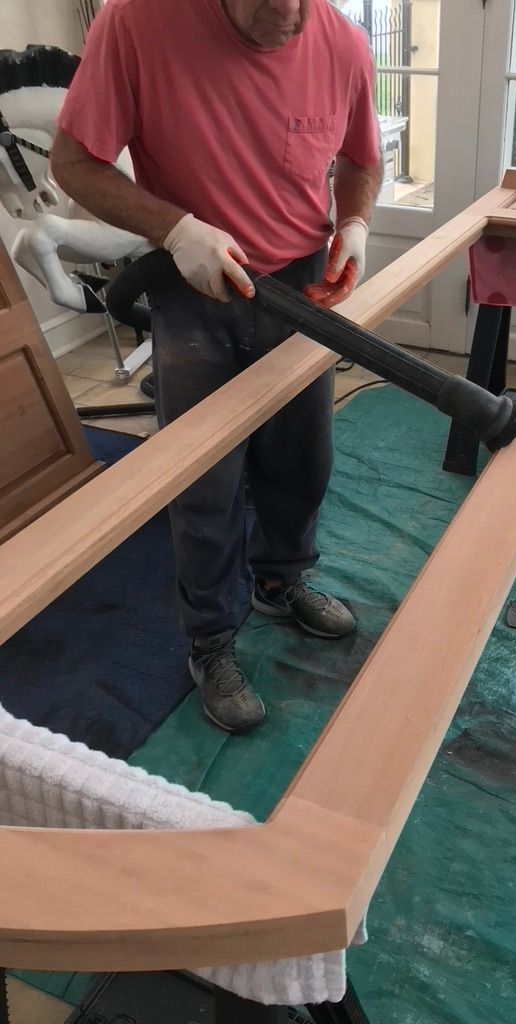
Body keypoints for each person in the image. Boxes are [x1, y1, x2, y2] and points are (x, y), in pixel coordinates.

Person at [51, 0, 383, 733]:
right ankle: (209, 639)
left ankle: (279, 580)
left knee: (303, 459)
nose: (290, 14)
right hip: (195, 282)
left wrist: (354, 223)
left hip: (300, 284)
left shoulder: (341, 42)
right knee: (205, 481)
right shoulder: (136, 24)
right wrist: (174, 229)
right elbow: (73, 162)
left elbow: (362, 159)